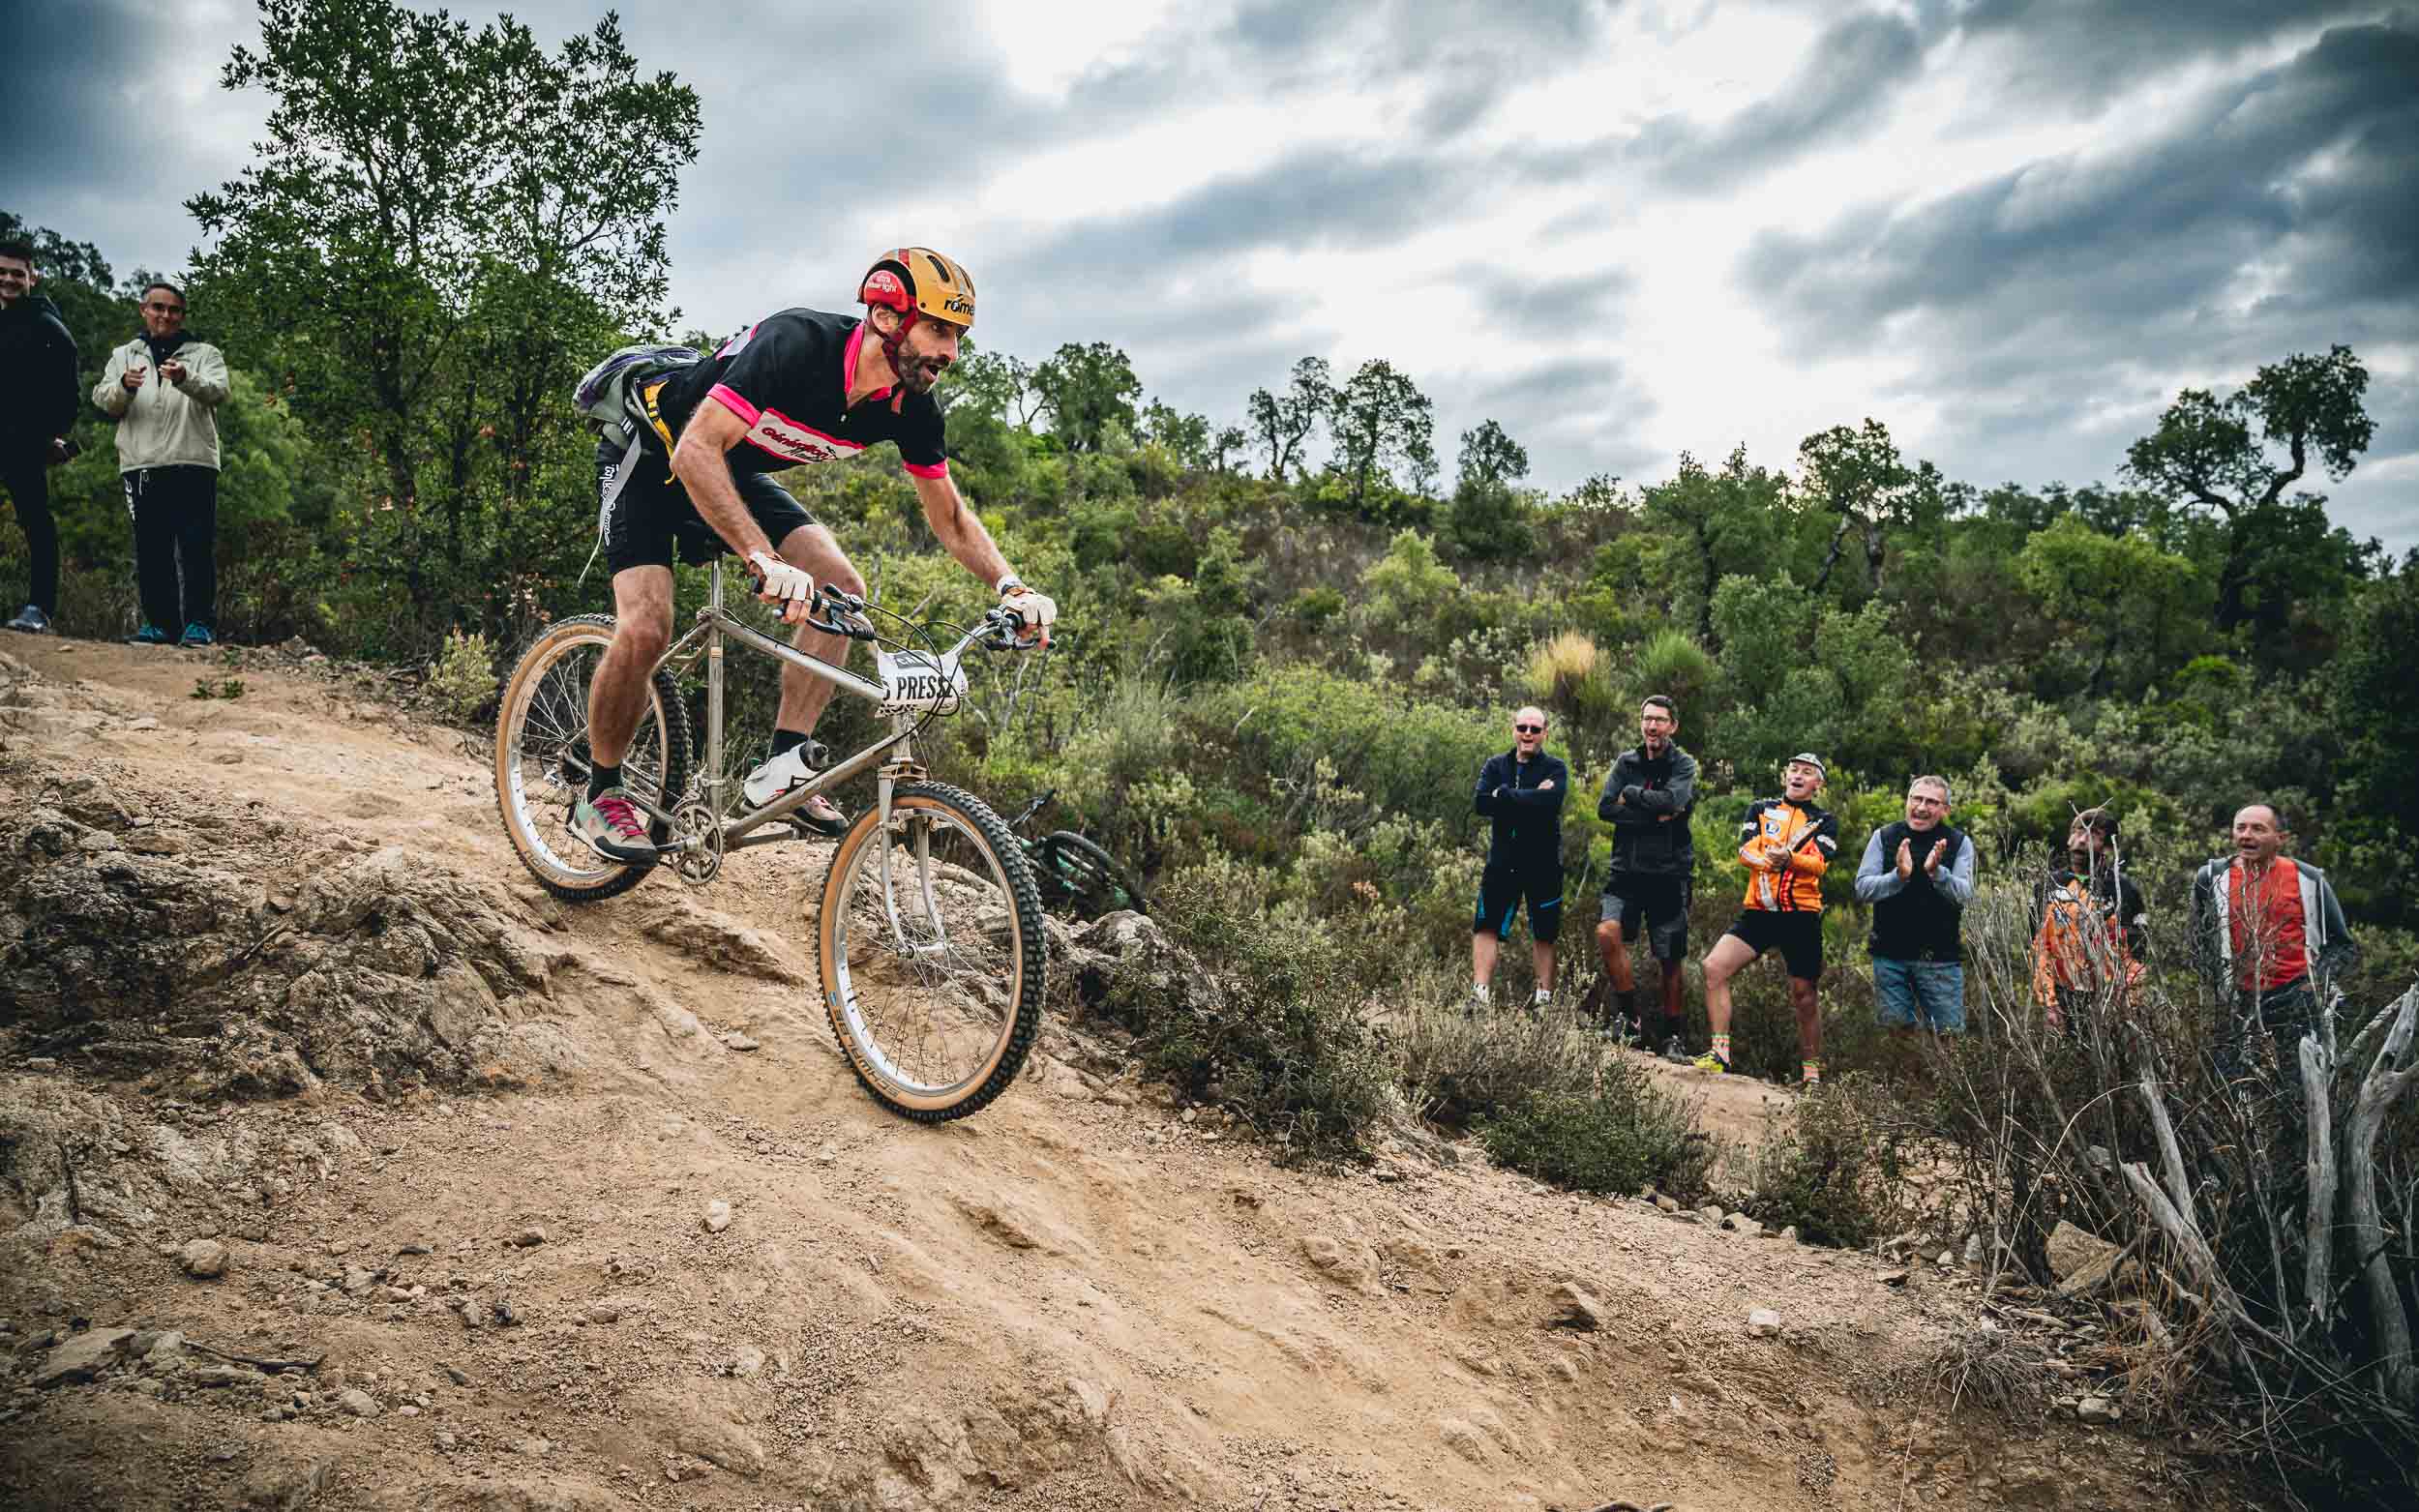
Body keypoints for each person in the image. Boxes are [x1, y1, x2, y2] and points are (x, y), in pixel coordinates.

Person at [571, 249, 1057, 862]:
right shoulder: (795, 345)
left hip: (732, 470)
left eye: (958, 336)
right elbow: (694, 452)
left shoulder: (910, 408)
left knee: (840, 589)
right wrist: (763, 559)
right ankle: (601, 791)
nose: (950, 353)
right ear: (886, 316)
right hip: (653, 453)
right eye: (938, 330)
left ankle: (780, 765)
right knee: (646, 627)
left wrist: (1011, 586)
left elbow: (951, 518)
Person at [92, 281, 228, 647]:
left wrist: (186, 378)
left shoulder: (204, 353)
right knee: (151, 547)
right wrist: (123, 385)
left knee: (196, 546)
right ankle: (160, 625)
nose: (165, 315)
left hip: (193, 461)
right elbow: (104, 400)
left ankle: (199, 623)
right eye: (158, 307)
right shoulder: (124, 355)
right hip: (141, 464)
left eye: (173, 310)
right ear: (143, 310)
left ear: (183, 315)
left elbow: (220, 391)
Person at [2192, 804, 2358, 1088]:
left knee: (2300, 1088)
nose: (2246, 835)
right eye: (2240, 827)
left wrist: (2313, 985)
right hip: (2236, 1002)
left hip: (2296, 998)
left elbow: (2343, 946)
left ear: (2281, 838)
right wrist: (2218, 986)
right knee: (2228, 1087)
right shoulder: (2211, 878)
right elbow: (2198, 942)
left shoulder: (2308, 880)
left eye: (2258, 828)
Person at [1698, 753, 1838, 1083]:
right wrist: (1769, 862)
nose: (1798, 776)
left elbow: (1819, 863)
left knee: (1804, 994)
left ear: (1818, 784)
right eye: (1793, 769)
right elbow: (1745, 850)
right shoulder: (1760, 809)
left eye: (1807, 772)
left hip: (1801, 915)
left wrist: (1790, 858)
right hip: (1759, 912)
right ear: (1784, 775)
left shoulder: (1824, 820)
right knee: (1714, 966)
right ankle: (1720, 1055)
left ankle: (1811, 1074)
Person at [1595, 694, 1697, 1055]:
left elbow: (1674, 801)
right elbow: (1605, 808)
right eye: (1647, 719)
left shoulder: (1683, 765)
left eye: (1660, 720)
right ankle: (1629, 1021)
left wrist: (1632, 794)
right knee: (1608, 933)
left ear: (1673, 726)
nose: (1652, 726)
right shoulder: (1627, 761)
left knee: (1669, 957)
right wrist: (1653, 815)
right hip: (1626, 871)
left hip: (1669, 874)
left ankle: (1673, 1036)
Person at [1853, 775, 1976, 1037]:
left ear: (1945, 810)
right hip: (1889, 957)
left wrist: (1936, 873)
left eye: (1932, 802)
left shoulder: (1958, 842)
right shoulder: (1884, 837)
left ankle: (1945, 1081)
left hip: (1940, 960)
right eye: (1916, 799)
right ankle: (1904, 1080)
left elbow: (1965, 894)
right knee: (1896, 1037)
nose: (1921, 807)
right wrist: (1898, 876)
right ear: (1907, 801)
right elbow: (1862, 888)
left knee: (1950, 1038)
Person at [1, 239, 80, 635]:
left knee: (35, 522)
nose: (9, 279)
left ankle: (39, 609)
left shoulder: (46, 324)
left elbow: (69, 388)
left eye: (17, 273)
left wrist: (50, 434)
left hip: (22, 442)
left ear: (32, 277)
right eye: (2, 272)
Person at [1471, 705, 1568, 1011]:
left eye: (1534, 729)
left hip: (1543, 864)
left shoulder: (1555, 768)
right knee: (1486, 926)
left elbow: (1549, 801)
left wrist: (1507, 796)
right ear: (1513, 729)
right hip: (1502, 862)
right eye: (1522, 727)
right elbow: (1481, 803)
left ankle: (1544, 1003)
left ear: (1545, 733)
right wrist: (1528, 796)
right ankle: (1479, 996)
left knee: (1545, 933)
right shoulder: (1495, 765)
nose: (1527, 734)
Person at [2031, 808, 2147, 1032]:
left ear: (2107, 846)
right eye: (2077, 831)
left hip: (2108, 1000)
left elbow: (2136, 955)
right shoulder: (2047, 886)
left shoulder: (2124, 890)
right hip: (2062, 999)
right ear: (2069, 837)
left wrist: (2127, 1005)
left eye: (2093, 834)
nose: (2081, 840)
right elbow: (2039, 950)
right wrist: (2050, 1004)